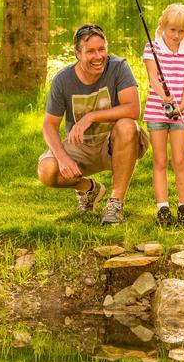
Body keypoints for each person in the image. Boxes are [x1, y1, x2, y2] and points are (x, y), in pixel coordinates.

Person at [38, 24, 149, 225]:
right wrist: (63, 158)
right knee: (46, 171)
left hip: (114, 143)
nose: (98, 57)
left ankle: (115, 203)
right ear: (77, 54)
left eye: (102, 49)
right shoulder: (63, 80)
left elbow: (133, 109)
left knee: (127, 125)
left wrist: (91, 117)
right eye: (90, 51)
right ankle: (88, 189)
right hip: (80, 145)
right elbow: (49, 125)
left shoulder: (119, 67)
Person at [143, 3, 184, 227]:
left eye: (181, 31)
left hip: (181, 114)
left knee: (179, 160)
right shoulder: (152, 48)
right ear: (162, 27)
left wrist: (182, 105)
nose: (176, 35)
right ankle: (162, 208)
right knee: (159, 161)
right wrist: (164, 97)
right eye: (172, 30)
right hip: (156, 112)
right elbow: (152, 78)